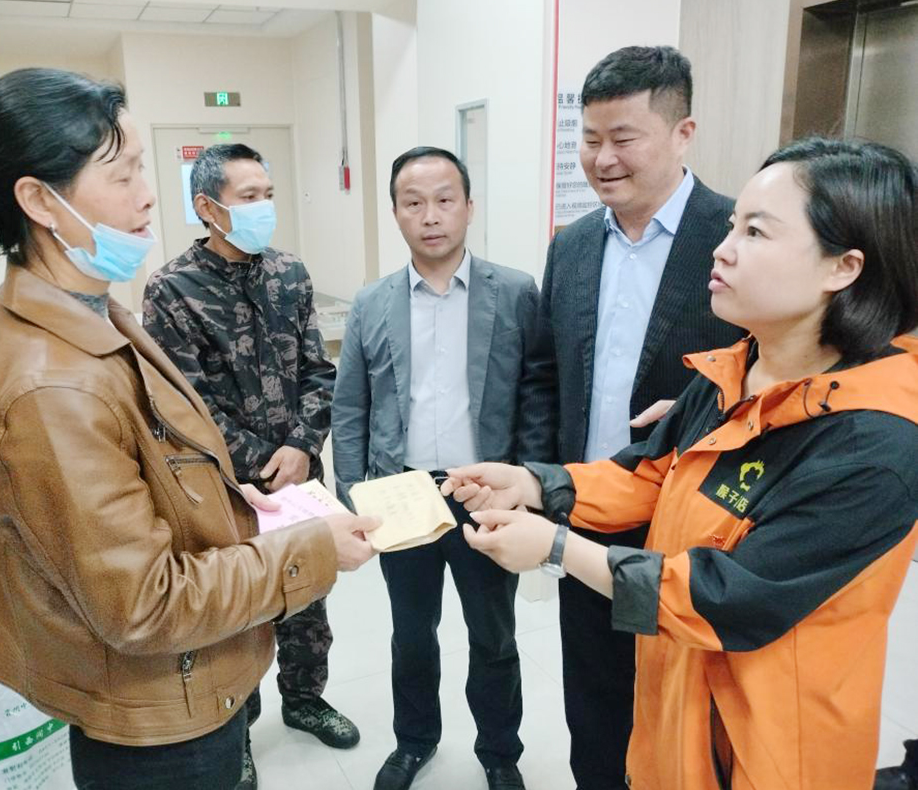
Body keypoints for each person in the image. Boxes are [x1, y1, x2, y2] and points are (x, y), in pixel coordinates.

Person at [0, 67, 378, 790]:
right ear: (38, 199)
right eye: (122, 172)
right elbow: (145, 603)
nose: (148, 192)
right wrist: (312, 548)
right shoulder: (51, 382)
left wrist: (240, 499)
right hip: (163, 715)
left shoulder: (89, 312)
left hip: (188, 673)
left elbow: (160, 454)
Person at [443, 136, 918, 789]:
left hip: (769, 746)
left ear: (843, 267)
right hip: (679, 699)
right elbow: (649, 473)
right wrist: (531, 483)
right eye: (732, 225)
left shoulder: (875, 440)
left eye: (756, 232)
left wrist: (557, 548)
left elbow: (730, 598)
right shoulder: (736, 370)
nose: (722, 250)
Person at [517, 45, 744, 790]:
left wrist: (704, 408)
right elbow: (546, 373)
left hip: (695, 528)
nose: (602, 159)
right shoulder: (574, 245)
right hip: (585, 510)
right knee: (594, 699)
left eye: (624, 138)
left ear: (683, 134)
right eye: (590, 139)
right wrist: (542, 479)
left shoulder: (734, 238)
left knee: (684, 716)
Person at [143, 143, 357, 790]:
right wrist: (264, 459)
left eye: (268, 194)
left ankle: (306, 698)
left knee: (307, 595)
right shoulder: (172, 290)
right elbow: (186, 403)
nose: (264, 207)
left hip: (300, 475)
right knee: (238, 609)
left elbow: (320, 370)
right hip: (228, 487)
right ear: (208, 207)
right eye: (249, 197)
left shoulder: (289, 274)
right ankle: (237, 729)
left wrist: (302, 445)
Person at [332, 147, 543, 790]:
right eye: (414, 202)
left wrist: (530, 486)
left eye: (445, 200)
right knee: (411, 633)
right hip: (402, 494)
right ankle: (414, 741)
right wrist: (354, 493)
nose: (431, 216)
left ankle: (500, 753)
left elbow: (537, 393)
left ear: (469, 207)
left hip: (486, 492)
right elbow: (350, 405)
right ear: (396, 213)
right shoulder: (372, 302)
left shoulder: (514, 292)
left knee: (494, 633)